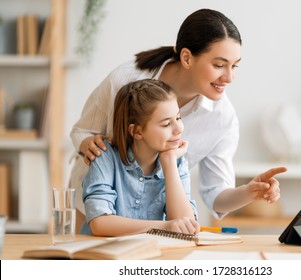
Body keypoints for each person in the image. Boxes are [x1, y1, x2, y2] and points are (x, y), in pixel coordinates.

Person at [70, 8, 287, 230]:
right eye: (219, 65)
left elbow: (216, 193)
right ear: (186, 57)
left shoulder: (222, 118)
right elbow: (82, 131)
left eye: (235, 66)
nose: (229, 77)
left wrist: (249, 192)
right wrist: (91, 145)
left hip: (151, 226)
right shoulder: (126, 81)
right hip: (93, 210)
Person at [80, 79, 199, 236]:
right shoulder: (105, 156)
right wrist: (164, 226)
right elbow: (100, 223)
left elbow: (186, 226)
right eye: (166, 124)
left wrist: (169, 162)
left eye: (178, 118)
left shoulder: (176, 161)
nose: (179, 129)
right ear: (136, 131)